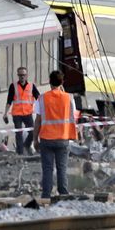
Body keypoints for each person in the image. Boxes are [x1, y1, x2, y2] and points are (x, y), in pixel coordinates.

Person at [33, 70, 77, 199]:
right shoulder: (69, 98)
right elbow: (73, 116)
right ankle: (63, 194)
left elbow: (38, 121)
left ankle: (46, 196)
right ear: (62, 82)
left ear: (49, 81)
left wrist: (35, 139)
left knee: (47, 169)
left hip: (46, 139)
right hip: (63, 139)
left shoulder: (42, 98)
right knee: (61, 169)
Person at [3, 67, 39, 155]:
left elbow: (39, 98)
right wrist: (5, 113)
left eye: (24, 75)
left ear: (26, 75)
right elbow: (9, 101)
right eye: (20, 75)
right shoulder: (13, 86)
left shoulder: (31, 86)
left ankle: (26, 144)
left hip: (28, 113)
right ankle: (20, 153)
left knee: (33, 132)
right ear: (18, 75)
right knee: (19, 134)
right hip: (17, 114)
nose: (22, 77)